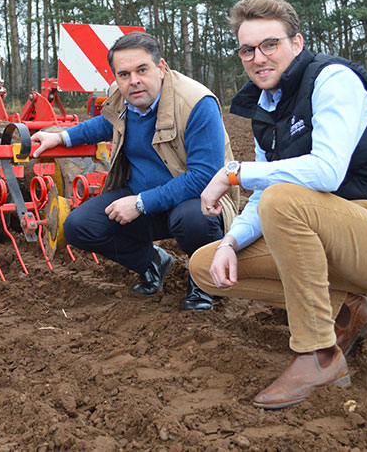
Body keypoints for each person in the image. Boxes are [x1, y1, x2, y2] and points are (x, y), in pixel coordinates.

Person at [193, 0, 367, 409]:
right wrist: (231, 242)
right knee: (206, 267)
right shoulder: (265, 107)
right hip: (338, 235)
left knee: (284, 201)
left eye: (270, 44)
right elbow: (263, 193)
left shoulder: (333, 80)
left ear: (297, 43)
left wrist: (234, 171)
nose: (258, 57)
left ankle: (319, 354)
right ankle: (350, 310)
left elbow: (326, 171)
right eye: (247, 49)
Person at [32, 32, 238, 311]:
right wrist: (61, 137)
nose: (134, 81)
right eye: (124, 74)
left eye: (142, 70)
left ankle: (203, 281)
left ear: (161, 68)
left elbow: (204, 177)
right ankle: (153, 262)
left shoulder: (196, 103)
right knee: (78, 226)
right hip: (142, 197)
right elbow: (105, 124)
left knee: (194, 219)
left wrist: (141, 203)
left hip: (194, 200)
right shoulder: (122, 97)